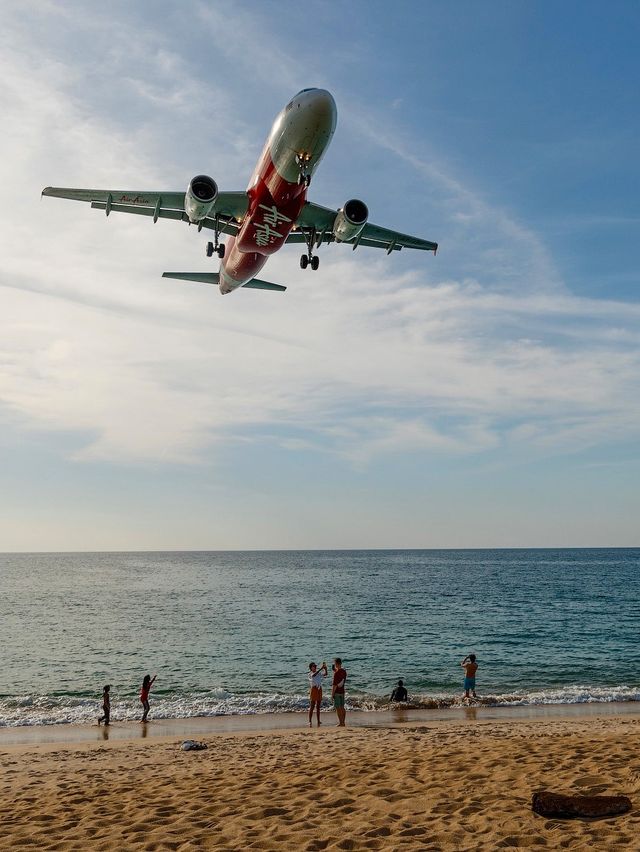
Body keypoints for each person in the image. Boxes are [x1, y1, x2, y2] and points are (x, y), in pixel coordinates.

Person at [308, 661, 328, 727]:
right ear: (311, 668)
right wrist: (321, 668)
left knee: (318, 706)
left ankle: (318, 721)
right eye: (314, 666)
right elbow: (314, 675)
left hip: (319, 689)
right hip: (313, 689)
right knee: (312, 706)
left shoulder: (318, 673)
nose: (315, 667)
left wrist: (325, 668)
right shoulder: (310, 674)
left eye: (315, 666)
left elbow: (325, 674)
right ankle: (310, 721)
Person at [331, 658, 347, 727]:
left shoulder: (336, 673)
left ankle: (341, 723)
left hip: (337, 692)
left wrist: (332, 694)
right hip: (342, 691)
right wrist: (335, 670)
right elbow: (341, 676)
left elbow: (334, 685)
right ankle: (343, 722)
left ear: (336, 664)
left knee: (338, 708)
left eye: (335, 663)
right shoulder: (344, 671)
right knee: (342, 707)